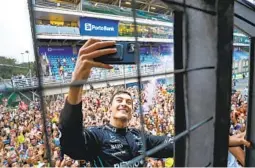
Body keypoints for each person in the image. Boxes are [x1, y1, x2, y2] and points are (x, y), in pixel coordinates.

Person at [59, 39, 174, 167]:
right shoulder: (97, 135)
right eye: (119, 100)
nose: (124, 103)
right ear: (110, 109)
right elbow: (70, 143)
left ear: (131, 113)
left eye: (129, 102)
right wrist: (76, 83)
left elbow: (174, 144)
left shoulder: (140, 137)